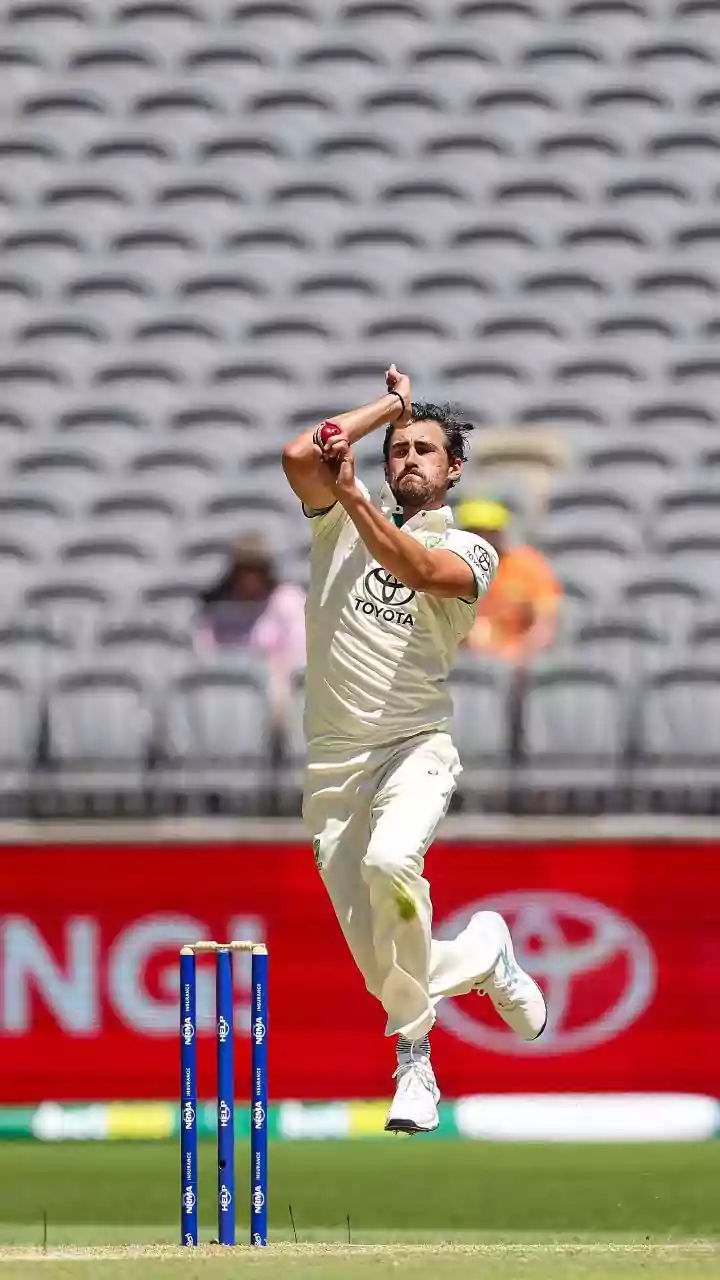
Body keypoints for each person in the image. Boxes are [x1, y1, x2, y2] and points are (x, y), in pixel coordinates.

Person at [281, 365, 547, 1135]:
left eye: (424, 449)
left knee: (392, 864)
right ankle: (486, 954)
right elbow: (302, 453)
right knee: (387, 968)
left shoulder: (471, 549)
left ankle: (415, 1061)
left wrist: (358, 491)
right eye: (398, 448)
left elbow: (414, 567)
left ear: (453, 467)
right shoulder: (334, 517)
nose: (408, 460)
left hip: (413, 750)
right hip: (333, 772)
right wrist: (387, 408)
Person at [194, 533, 306, 722]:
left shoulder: (287, 600)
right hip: (225, 685)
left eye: (255, 569)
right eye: (244, 569)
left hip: (277, 686)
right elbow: (203, 653)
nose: (249, 577)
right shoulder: (218, 607)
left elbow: (300, 654)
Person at [457, 500, 561, 662]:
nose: (481, 539)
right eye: (473, 532)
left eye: (487, 532)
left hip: (516, 657)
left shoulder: (527, 566)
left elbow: (545, 623)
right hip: (464, 659)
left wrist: (520, 652)